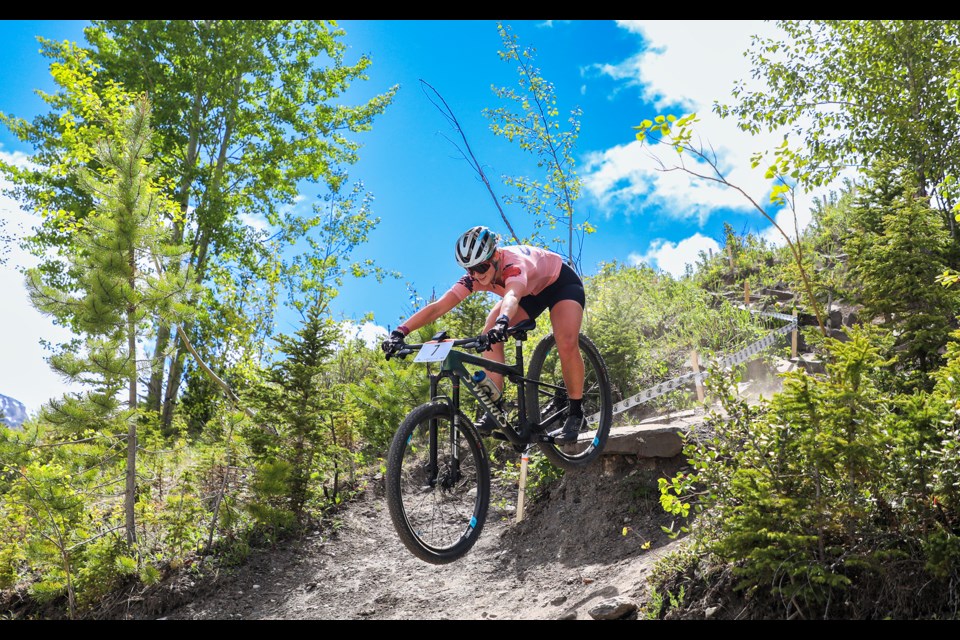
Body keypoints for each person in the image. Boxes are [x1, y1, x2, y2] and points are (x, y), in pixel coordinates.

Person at [381, 225, 586, 443]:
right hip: (526, 294)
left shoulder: (513, 265)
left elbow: (512, 297)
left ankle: (575, 412)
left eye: (481, 267)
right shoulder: (474, 277)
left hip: (559, 285)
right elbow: (439, 307)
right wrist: (399, 332)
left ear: (495, 256)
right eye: (469, 269)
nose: (476, 275)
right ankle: (495, 404)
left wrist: (503, 321)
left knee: (565, 341)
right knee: (488, 335)